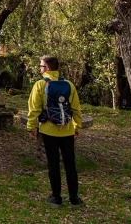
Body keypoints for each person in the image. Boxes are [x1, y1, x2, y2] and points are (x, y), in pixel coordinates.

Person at [27, 55, 84, 207]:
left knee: (53, 165)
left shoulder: (40, 85)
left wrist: (30, 127)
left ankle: (56, 198)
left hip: (48, 130)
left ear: (48, 68)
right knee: (70, 164)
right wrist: (77, 127)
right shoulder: (69, 85)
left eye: (41, 66)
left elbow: (34, 109)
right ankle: (74, 198)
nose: (40, 69)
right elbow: (76, 109)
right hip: (67, 130)